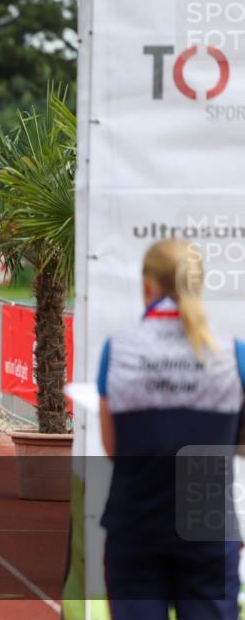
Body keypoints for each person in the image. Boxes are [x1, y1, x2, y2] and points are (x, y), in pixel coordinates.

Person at [98, 239, 245, 619]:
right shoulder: (233, 352)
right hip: (206, 520)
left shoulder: (118, 350)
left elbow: (113, 447)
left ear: (147, 286)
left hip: (136, 519)